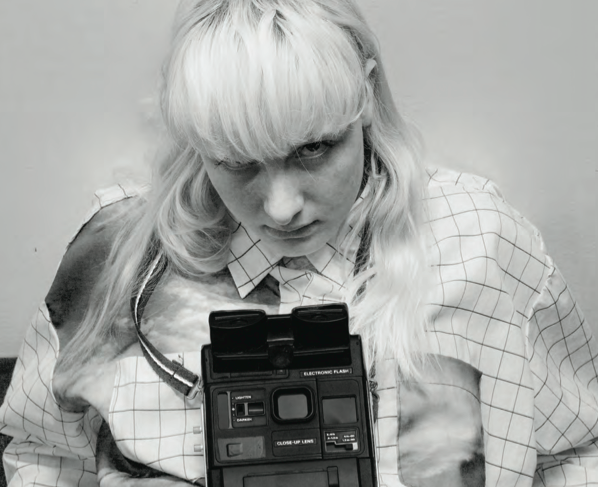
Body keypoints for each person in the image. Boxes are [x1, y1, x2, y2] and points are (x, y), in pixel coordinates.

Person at [1, 0, 597, 486]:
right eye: (236, 162)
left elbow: (577, 454)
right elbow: (44, 455)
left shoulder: (480, 242)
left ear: (365, 97)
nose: (282, 207)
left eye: (313, 148)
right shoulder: (116, 256)